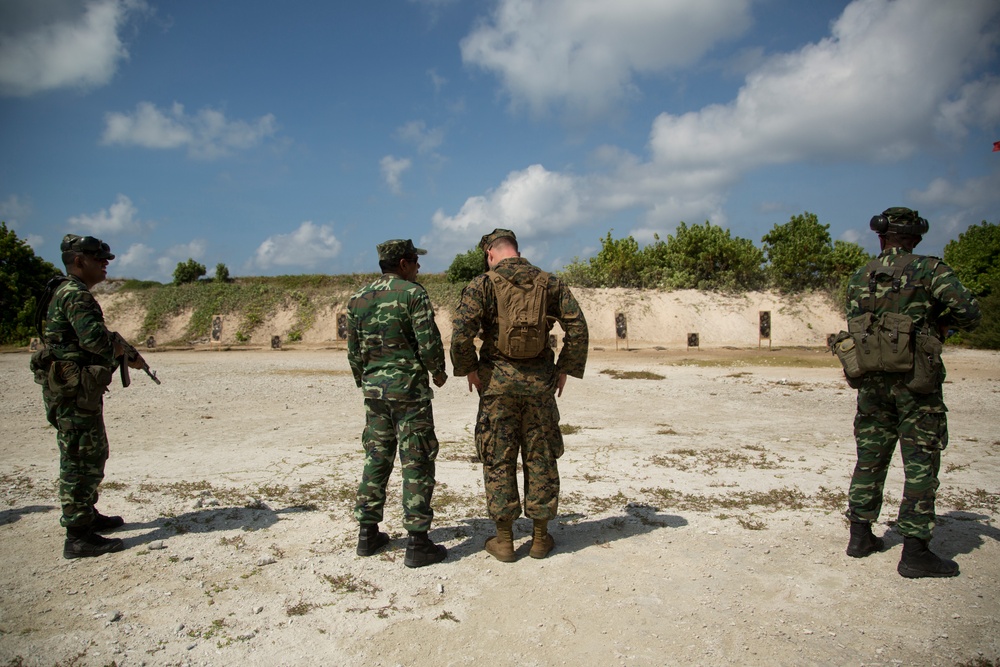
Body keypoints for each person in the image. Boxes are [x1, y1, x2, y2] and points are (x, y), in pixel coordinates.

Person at [843, 207, 981, 578]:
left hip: (871, 382)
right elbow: (970, 312)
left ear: (881, 237)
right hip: (917, 383)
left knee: (870, 458)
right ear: (917, 237)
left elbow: (854, 321)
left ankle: (860, 535)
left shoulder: (861, 276)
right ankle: (915, 551)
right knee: (920, 463)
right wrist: (937, 322)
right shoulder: (931, 271)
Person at [450, 229, 588, 562]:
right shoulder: (549, 282)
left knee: (498, 457)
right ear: (517, 250)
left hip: (497, 385)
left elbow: (460, 334)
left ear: (490, 253)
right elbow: (578, 328)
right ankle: (540, 539)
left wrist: (469, 369)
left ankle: (504, 541)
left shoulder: (481, 284)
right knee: (540, 455)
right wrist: (565, 367)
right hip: (540, 385)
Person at [32, 235, 144, 559]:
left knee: (91, 452)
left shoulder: (68, 291)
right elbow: (96, 340)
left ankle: (86, 515)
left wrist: (126, 353)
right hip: (73, 392)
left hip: (76, 391)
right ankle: (78, 535)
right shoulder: (75, 295)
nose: (105, 263)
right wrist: (121, 350)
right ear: (79, 261)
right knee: (81, 457)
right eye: (99, 259)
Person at [347, 239, 449, 568]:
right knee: (416, 460)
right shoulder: (412, 293)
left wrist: (366, 380)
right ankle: (418, 542)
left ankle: (367, 533)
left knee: (376, 458)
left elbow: (353, 351)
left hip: (375, 394)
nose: (419, 266)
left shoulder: (357, 299)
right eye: (416, 261)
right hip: (409, 393)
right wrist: (438, 370)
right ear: (403, 263)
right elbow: (427, 339)